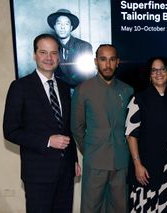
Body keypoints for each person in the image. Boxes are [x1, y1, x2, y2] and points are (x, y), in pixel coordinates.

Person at [3, 33, 80, 212]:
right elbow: (10, 131)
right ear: (34, 54)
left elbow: (66, 128)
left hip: (66, 172)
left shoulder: (64, 87)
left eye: (53, 53)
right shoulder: (20, 87)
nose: (48, 58)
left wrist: (73, 159)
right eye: (43, 52)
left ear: (59, 57)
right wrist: (47, 141)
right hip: (38, 173)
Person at [71, 44, 133, 212]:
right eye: (103, 59)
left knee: (120, 207)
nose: (108, 64)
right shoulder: (83, 90)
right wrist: (90, 150)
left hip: (121, 161)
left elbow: (131, 128)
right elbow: (77, 127)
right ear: (95, 62)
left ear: (118, 62)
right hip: (95, 160)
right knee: (91, 207)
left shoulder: (127, 90)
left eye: (112, 60)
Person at [125, 57, 167, 212]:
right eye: (154, 70)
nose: (159, 73)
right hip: (146, 169)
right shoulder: (138, 99)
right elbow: (131, 135)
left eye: (162, 69)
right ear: (149, 75)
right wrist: (137, 165)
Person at [47, 8, 94, 88]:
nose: (62, 27)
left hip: (82, 91)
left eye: (66, 24)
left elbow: (87, 75)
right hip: (60, 93)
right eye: (59, 23)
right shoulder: (51, 48)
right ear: (54, 27)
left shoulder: (84, 46)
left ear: (71, 27)